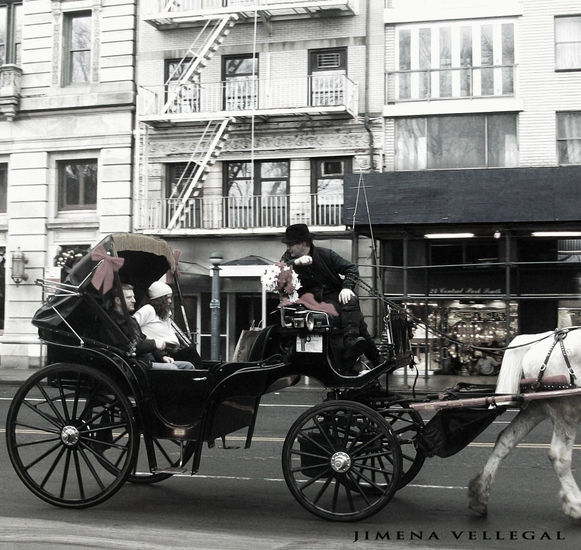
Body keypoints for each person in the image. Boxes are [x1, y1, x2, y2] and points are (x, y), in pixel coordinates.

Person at [280, 223, 380, 367]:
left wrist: (347, 288)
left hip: (334, 299)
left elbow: (351, 268)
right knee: (359, 325)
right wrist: (295, 262)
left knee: (351, 302)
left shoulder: (326, 254)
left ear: (303, 243)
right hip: (309, 304)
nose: (288, 248)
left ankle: (357, 349)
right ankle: (358, 351)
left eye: (291, 244)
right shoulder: (289, 257)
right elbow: (278, 272)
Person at [105, 283, 195, 370]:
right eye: (129, 298)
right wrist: (154, 343)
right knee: (173, 368)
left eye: (133, 297)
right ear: (118, 300)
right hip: (134, 363)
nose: (134, 300)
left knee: (188, 366)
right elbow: (127, 346)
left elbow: (142, 338)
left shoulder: (130, 320)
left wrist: (161, 356)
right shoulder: (112, 323)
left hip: (145, 359)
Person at [134, 281, 201, 367]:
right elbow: (133, 325)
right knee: (190, 353)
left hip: (170, 350)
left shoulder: (163, 313)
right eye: (167, 298)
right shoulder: (148, 309)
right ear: (159, 299)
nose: (170, 301)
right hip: (159, 351)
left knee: (190, 353)